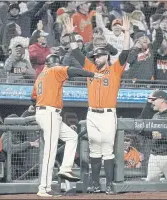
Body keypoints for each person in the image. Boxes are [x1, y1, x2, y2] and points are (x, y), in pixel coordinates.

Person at [63, 16, 131, 195]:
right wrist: (71, 34)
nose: (96, 57)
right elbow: (76, 52)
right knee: (94, 149)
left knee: (107, 150)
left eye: (99, 55)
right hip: (92, 114)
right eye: (95, 55)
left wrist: (127, 32)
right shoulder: (90, 68)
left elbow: (125, 52)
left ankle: (108, 185)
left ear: (106, 55)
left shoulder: (115, 70)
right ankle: (94, 184)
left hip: (108, 114)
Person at [31, 54, 103, 197]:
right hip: (49, 113)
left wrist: (40, 108)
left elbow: (33, 98)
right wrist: (92, 74)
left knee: (72, 137)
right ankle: (43, 188)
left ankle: (65, 168)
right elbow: (73, 70)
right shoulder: (53, 70)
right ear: (54, 64)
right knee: (50, 151)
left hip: (48, 112)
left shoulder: (40, 76)